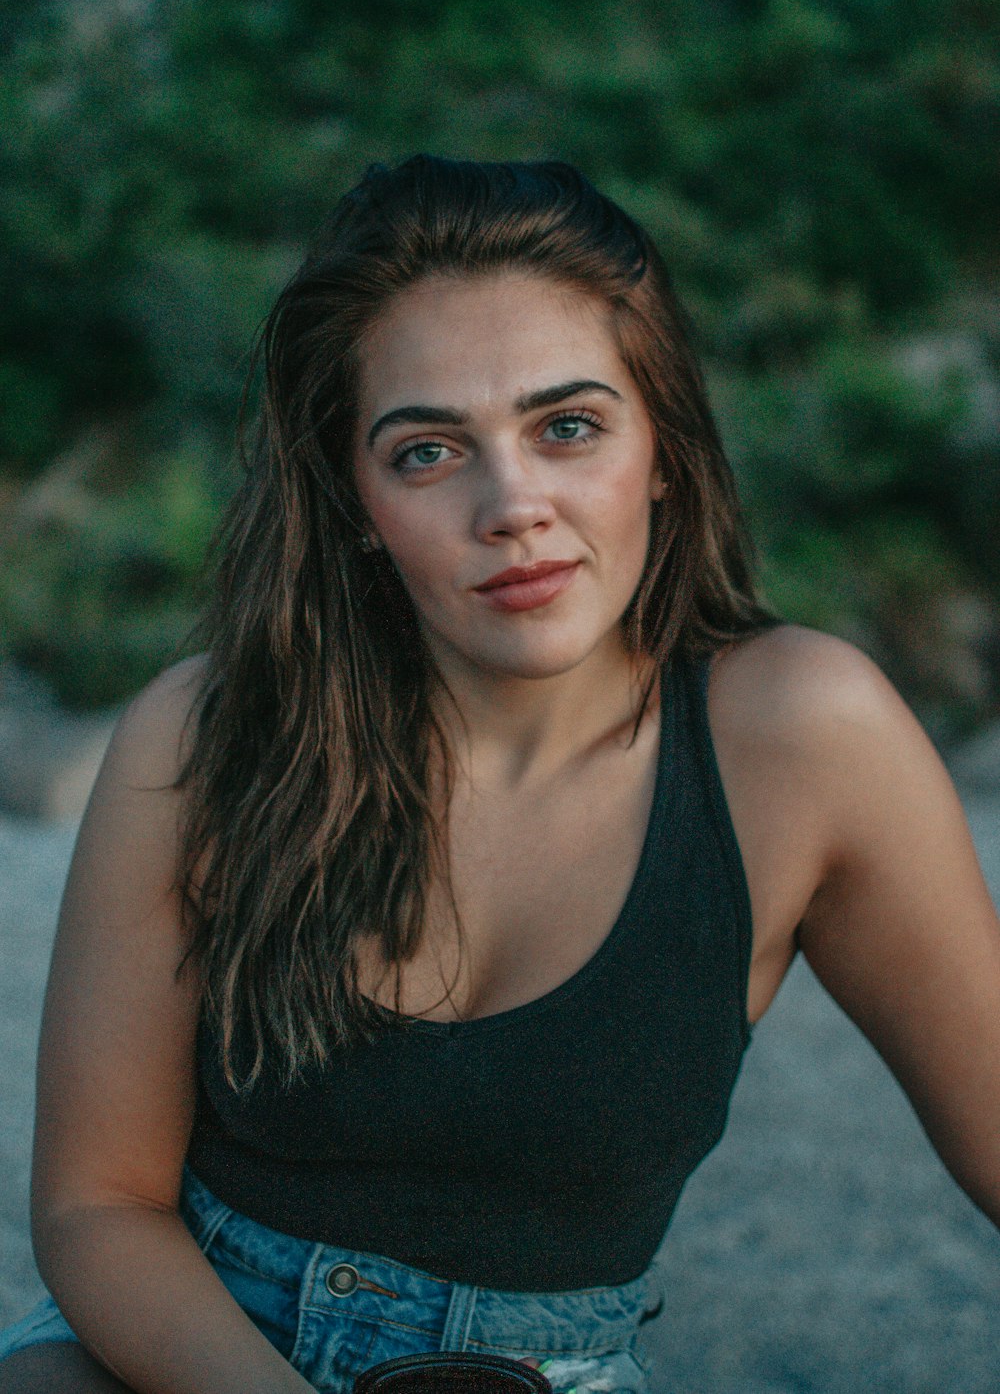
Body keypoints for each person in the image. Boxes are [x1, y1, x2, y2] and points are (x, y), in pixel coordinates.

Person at [0, 155, 997, 1394]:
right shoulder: (205, 735)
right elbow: (99, 1207)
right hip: (184, 1344)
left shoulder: (801, 735)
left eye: (567, 426)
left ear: (665, 448)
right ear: (357, 499)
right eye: (426, 452)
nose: (510, 503)